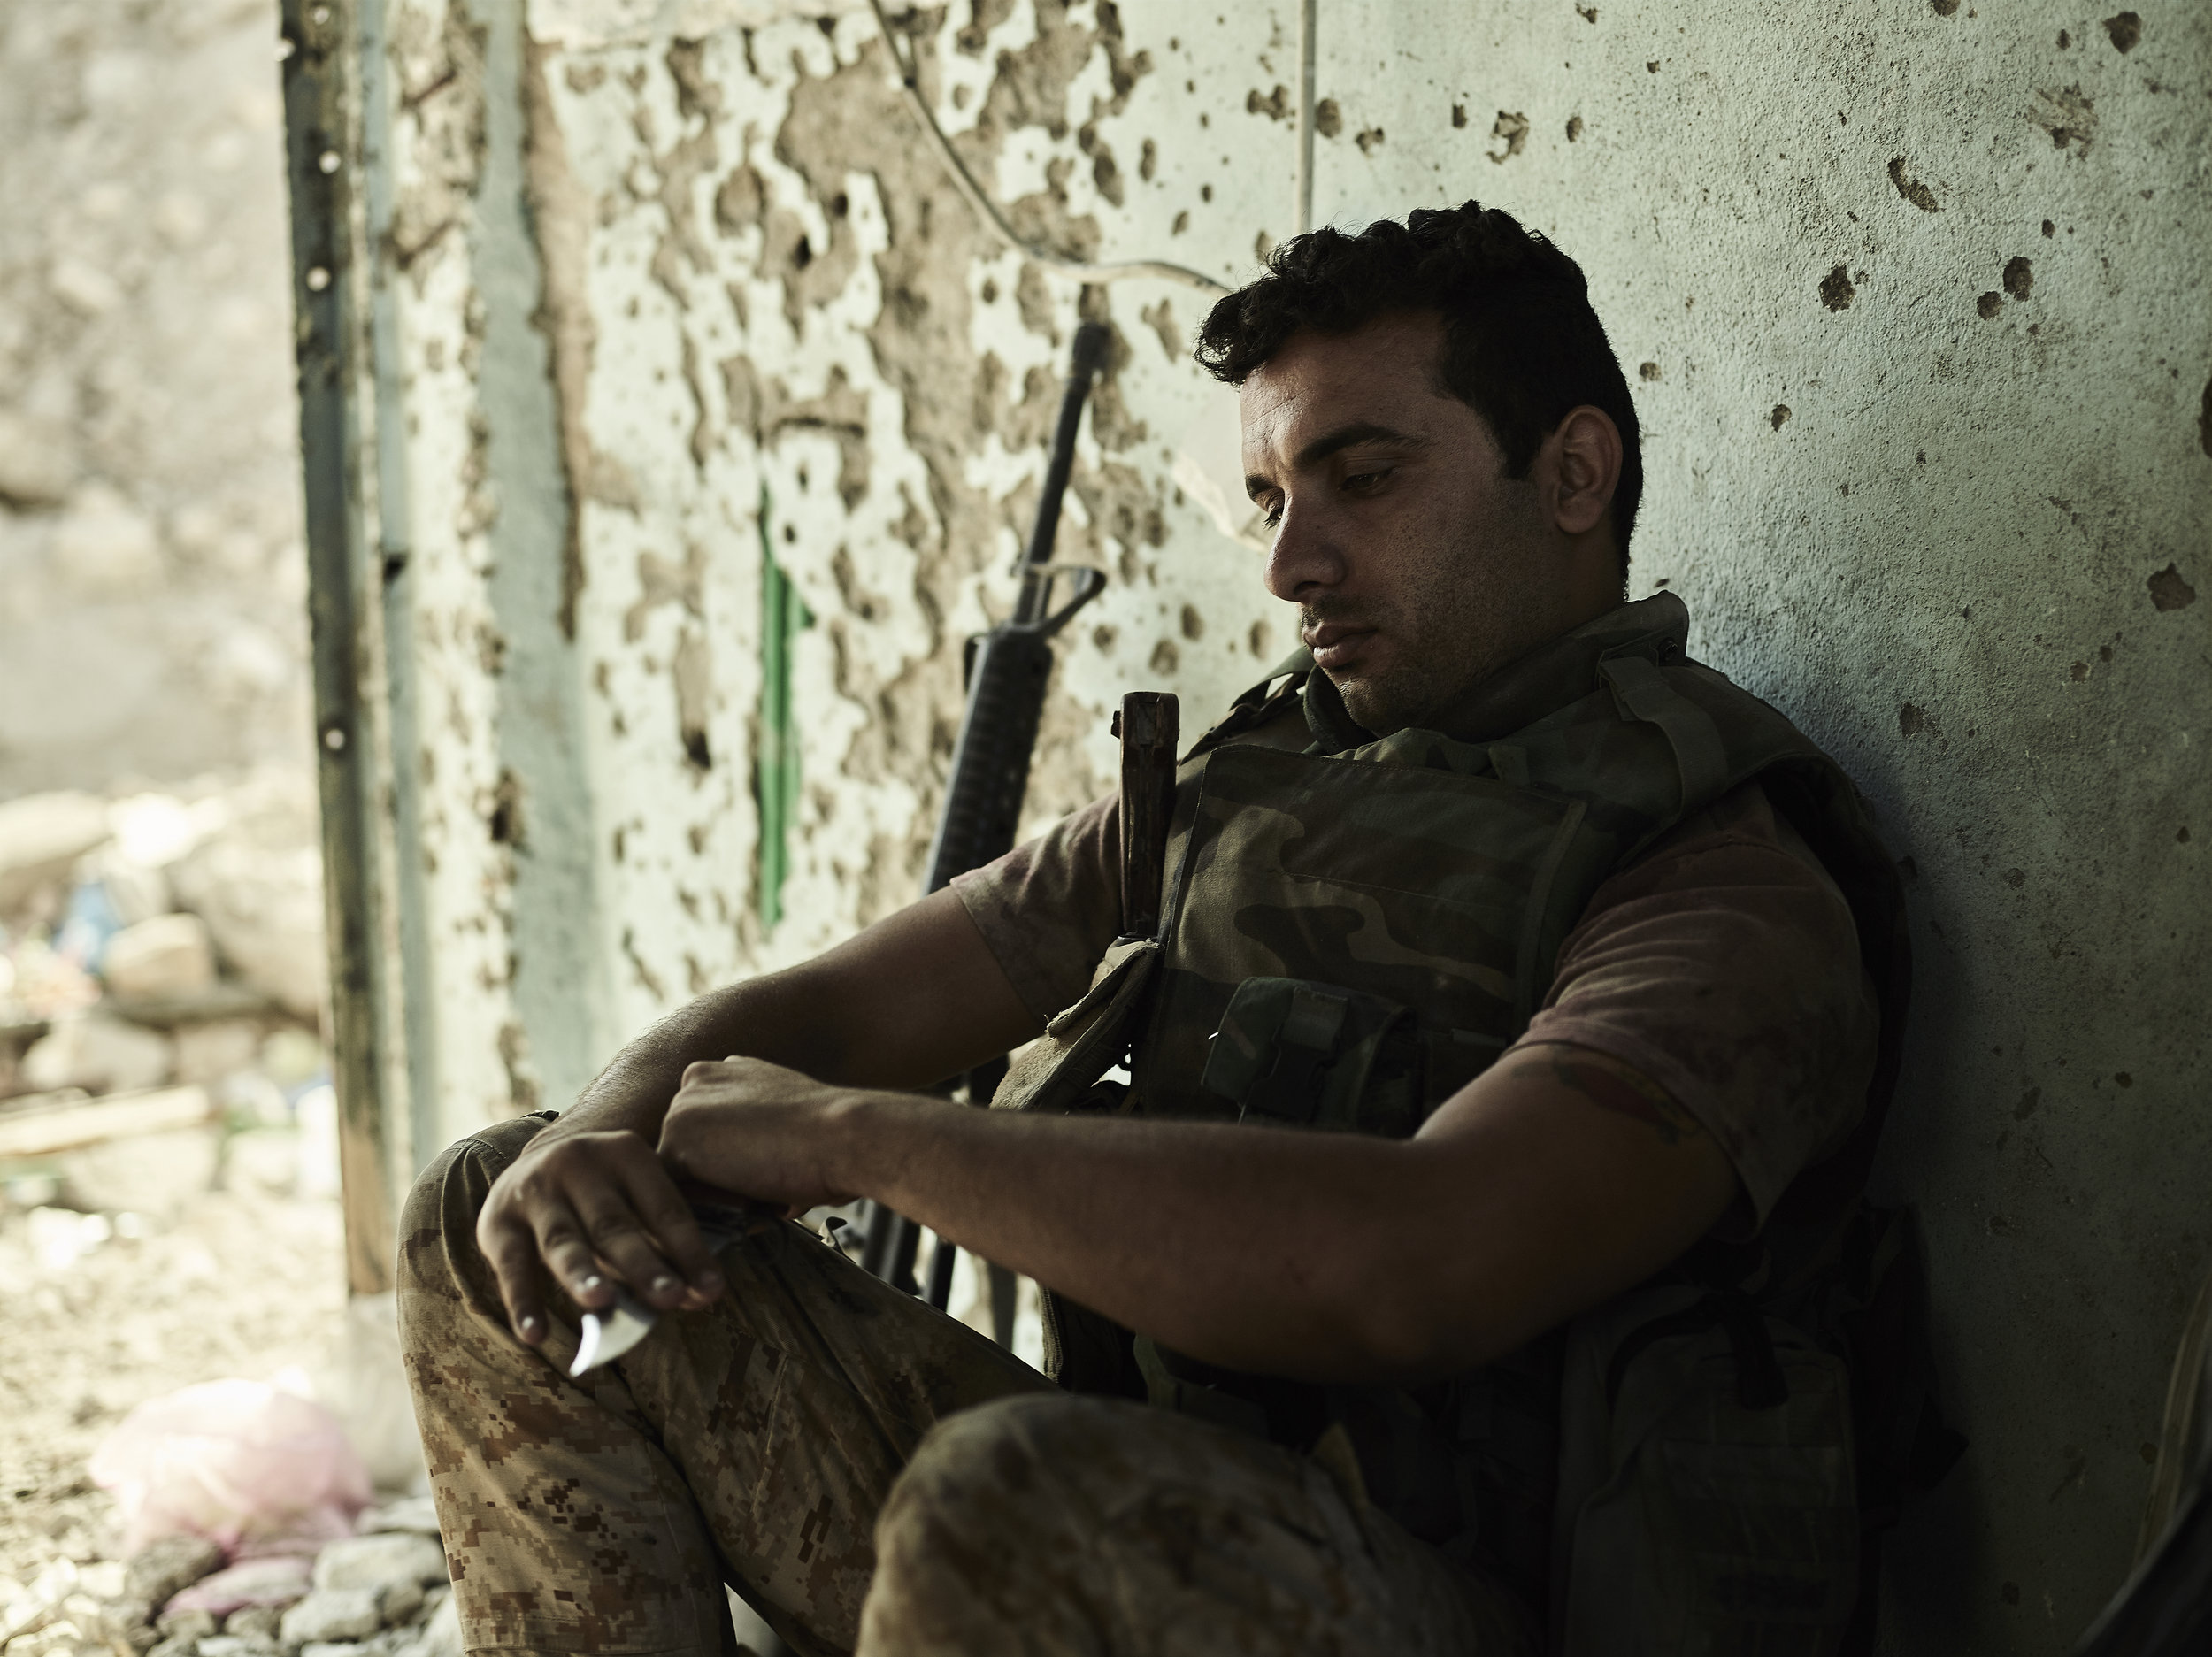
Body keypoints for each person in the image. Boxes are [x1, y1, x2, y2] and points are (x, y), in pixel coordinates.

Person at [399, 202, 1903, 1657]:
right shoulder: (1250, 787)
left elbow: (1421, 1268)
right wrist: (595, 1136)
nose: (1290, 564)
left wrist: (850, 1142)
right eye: (1272, 500)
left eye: (1363, 479)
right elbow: (846, 1012)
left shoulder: (1718, 879)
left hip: (1446, 1599)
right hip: (1119, 1513)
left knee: (1022, 1496)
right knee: (495, 1213)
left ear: (1575, 474)